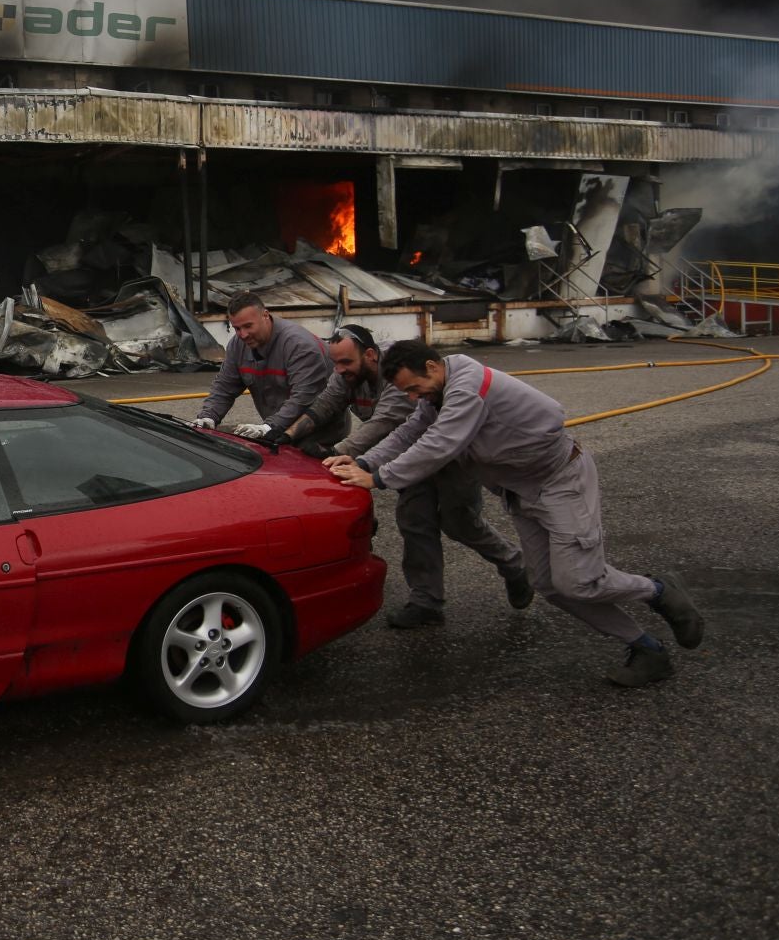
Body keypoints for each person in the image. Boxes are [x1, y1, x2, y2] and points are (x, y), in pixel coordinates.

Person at [326, 341, 705, 687]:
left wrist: (378, 477)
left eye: (414, 388)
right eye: (407, 391)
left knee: (579, 581)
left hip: (562, 482)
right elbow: (412, 430)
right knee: (549, 584)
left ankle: (657, 590)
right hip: (522, 490)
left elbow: (440, 444)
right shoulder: (438, 388)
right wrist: (362, 459)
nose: (413, 397)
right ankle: (647, 649)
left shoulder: (467, 388)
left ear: (432, 366)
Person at [285, 325, 531, 628]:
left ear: (370, 355)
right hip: (407, 458)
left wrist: (365, 469)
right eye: (335, 363)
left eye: (346, 362)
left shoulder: (405, 370)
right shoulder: (355, 374)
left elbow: (396, 426)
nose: (339, 370)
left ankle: (514, 564)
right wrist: (289, 435)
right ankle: (426, 601)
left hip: (453, 456)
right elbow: (400, 429)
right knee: (415, 521)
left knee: (460, 523)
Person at [193, 292, 345, 447]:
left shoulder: (300, 346)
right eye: (237, 328)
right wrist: (208, 416)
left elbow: (303, 399)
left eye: (248, 326)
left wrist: (269, 427)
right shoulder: (238, 345)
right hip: (278, 429)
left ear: (265, 315)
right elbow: (225, 387)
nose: (243, 334)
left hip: (320, 435)